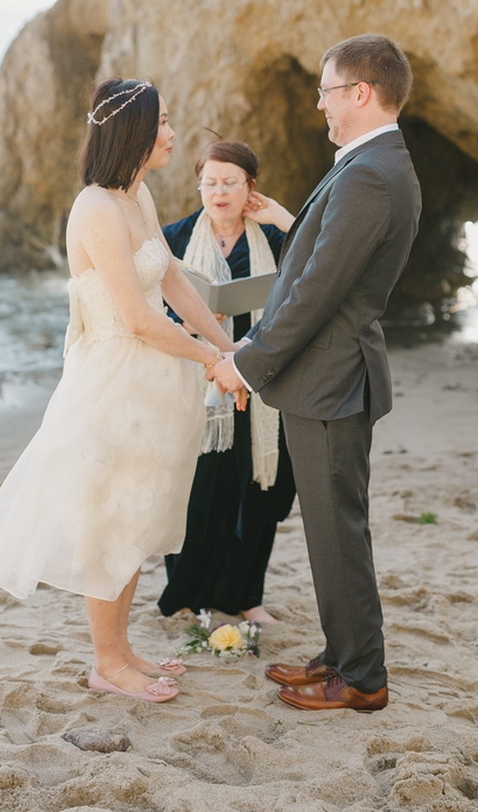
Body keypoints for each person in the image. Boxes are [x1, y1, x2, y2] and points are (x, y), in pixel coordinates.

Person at [0, 78, 240, 704]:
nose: (172, 134)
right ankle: (107, 662)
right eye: (163, 122)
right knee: (109, 522)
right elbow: (137, 319)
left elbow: (171, 282)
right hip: (113, 381)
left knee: (136, 518)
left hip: (154, 381)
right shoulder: (94, 208)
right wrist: (209, 361)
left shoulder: (135, 195)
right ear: (134, 131)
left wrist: (227, 348)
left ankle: (123, 652)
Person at [208, 35, 422, 712]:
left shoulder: (369, 173)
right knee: (333, 526)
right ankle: (341, 654)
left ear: (361, 93)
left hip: (331, 378)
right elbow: (324, 259)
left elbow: (316, 293)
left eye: (328, 91)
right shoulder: (370, 164)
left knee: (337, 530)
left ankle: (361, 678)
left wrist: (245, 363)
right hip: (329, 375)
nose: (321, 105)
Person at [157, 140, 297, 625]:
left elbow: (323, 265)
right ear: (199, 185)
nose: (219, 192)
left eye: (231, 182)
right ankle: (185, 596)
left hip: (261, 383)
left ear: (250, 188)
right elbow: (145, 307)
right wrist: (195, 321)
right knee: (197, 492)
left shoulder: (276, 242)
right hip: (198, 382)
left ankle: (244, 598)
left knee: (261, 492)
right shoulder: (173, 239)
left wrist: (280, 217)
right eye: (210, 182)